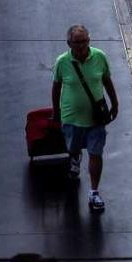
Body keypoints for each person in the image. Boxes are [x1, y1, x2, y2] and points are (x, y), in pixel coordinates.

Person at [51, 24, 118, 211]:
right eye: (77, 42)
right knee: (73, 146)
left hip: (96, 118)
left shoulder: (99, 57)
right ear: (69, 43)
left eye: (84, 41)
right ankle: (75, 158)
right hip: (71, 118)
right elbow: (56, 87)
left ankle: (94, 192)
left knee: (96, 153)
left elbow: (106, 80)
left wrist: (115, 103)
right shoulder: (62, 62)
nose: (81, 46)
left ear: (89, 40)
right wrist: (56, 113)